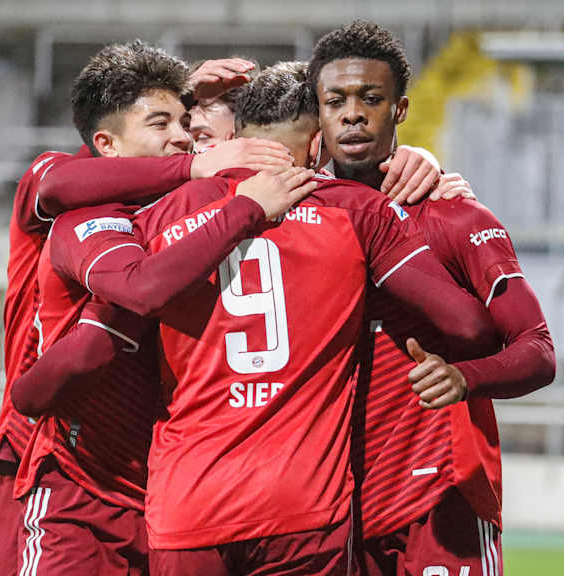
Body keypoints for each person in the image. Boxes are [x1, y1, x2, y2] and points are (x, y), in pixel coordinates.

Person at [133, 61, 500, 576]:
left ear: (238, 137)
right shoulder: (355, 211)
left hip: (187, 503)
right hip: (302, 507)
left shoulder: (159, 213)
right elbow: (471, 327)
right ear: (316, 146)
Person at [0, 47, 296, 576]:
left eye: (188, 125)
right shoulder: (69, 194)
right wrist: (195, 162)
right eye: (162, 123)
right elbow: (64, 185)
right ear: (104, 143)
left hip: (155, 474)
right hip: (43, 449)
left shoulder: (177, 215)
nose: (185, 137)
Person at [308, 20, 556, 576]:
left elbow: (538, 349)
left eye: (371, 99)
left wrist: (465, 377)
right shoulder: (295, 222)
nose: (353, 114)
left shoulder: (454, 216)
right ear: (317, 113)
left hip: (441, 498)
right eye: (336, 101)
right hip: (331, 505)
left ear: (400, 109)